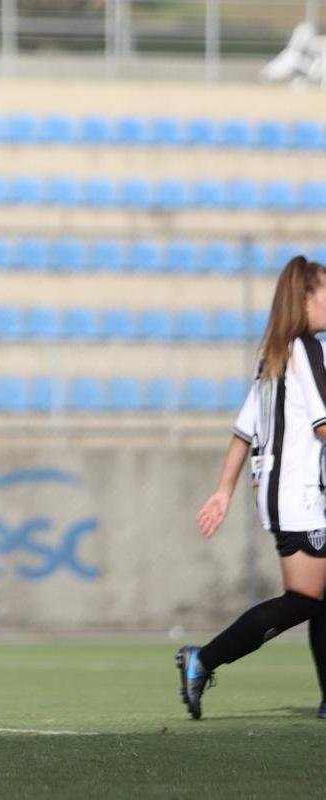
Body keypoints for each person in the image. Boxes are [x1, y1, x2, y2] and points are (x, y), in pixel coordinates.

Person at [178, 255, 326, 720]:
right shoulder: (305, 350)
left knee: (318, 597)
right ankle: (203, 659)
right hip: (301, 496)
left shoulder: (275, 354)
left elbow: (244, 431)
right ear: (306, 299)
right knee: (303, 600)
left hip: (286, 495)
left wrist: (224, 490)